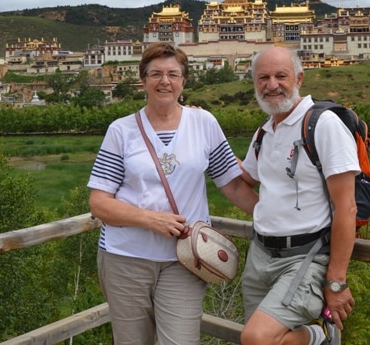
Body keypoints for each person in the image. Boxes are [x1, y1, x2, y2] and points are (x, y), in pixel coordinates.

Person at [87, 42, 259, 345]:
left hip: (185, 259)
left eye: (172, 74)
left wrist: (272, 218)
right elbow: (99, 203)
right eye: (155, 74)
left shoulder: (204, 123)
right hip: (125, 258)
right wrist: (151, 220)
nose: (164, 81)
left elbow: (231, 183)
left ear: (184, 81)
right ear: (143, 81)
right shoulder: (121, 131)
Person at [239, 47, 359, 345]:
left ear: (299, 78)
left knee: (256, 339)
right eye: (263, 77)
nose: (271, 85)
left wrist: (336, 280)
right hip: (260, 256)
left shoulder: (324, 125)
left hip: (305, 257)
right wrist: (206, 138)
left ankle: (320, 336)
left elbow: (347, 207)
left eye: (281, 76)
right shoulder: (265, 132)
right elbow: (246, 179)